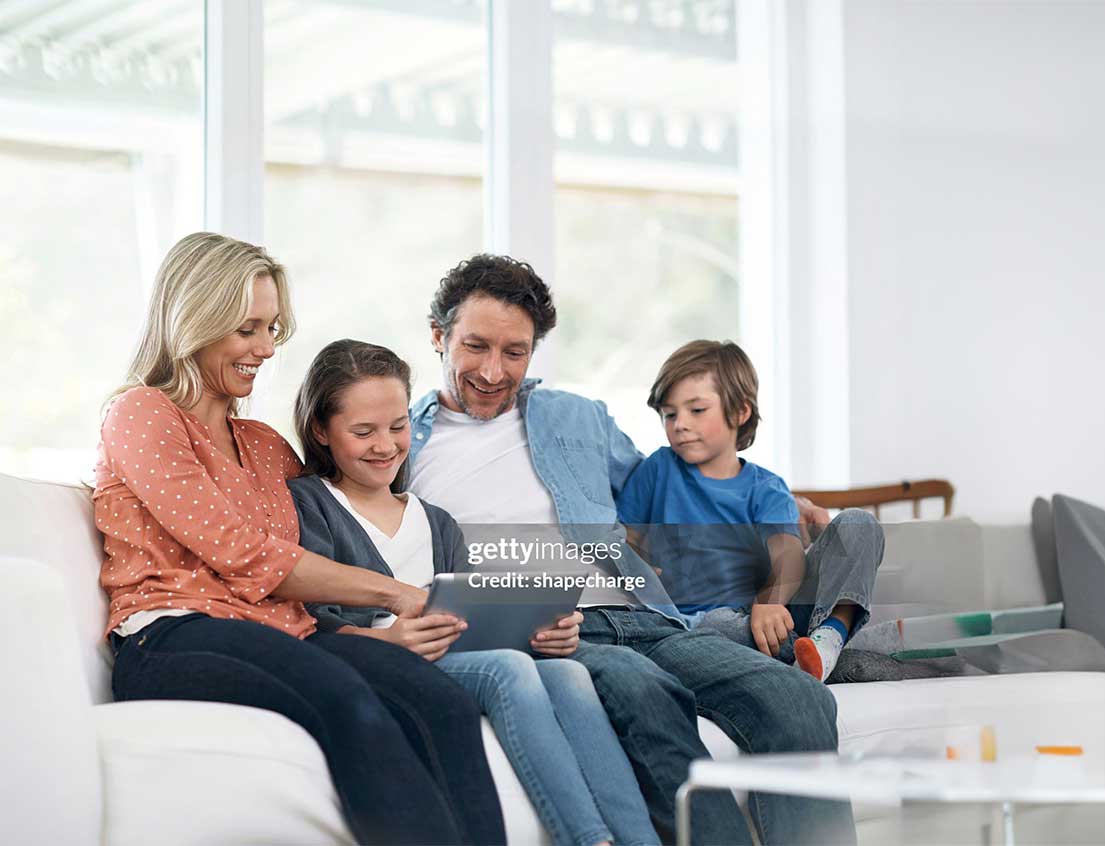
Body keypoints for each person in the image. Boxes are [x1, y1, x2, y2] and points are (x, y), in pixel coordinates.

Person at [404, 254, 859, 845]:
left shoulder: (577, 418)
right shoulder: (399, 442)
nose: (494, 371)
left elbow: (668, 484)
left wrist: (768, 497)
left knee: (796, 698)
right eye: (476, 347)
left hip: (646, 614)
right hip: (552, 633)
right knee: (649, 696)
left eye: (515, 352)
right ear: (438, 336)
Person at [95, 232, 503, 845]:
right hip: (172, 634)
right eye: (247, 329)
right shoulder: (142, 413)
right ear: (195, 322)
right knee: (344, 696)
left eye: (273, 329)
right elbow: (245, 553)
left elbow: (309, 576)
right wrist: (393, 594)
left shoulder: (267, 446)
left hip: (285, 636)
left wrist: (383, 635)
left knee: (437, 699)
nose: (264, 348)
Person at [288, 338, 659, 846]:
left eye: (398, 427)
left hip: (461, 652)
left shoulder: (437, 523)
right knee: (508, 671)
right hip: (387, 660)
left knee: (570, 674)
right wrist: (388, 642)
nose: (385, 445)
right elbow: (310, 619)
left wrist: (545, 633)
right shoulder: (310, 504)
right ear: (321, 431)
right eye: (362, 432)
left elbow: (477, 612)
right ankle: (592, 839)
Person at [617, 340, 883, 682]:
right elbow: (626, 535)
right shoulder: (657, 469)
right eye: (670, 414)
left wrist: (770, 602)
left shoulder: (766, 488)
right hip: (710, 625)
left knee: (859, 524)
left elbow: (788, 554)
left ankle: (829, 638)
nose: (679, 424)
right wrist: (634, 563)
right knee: (714, 627)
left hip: (772, 614)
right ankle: (810, 660)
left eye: (696, 410)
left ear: (740, 413)